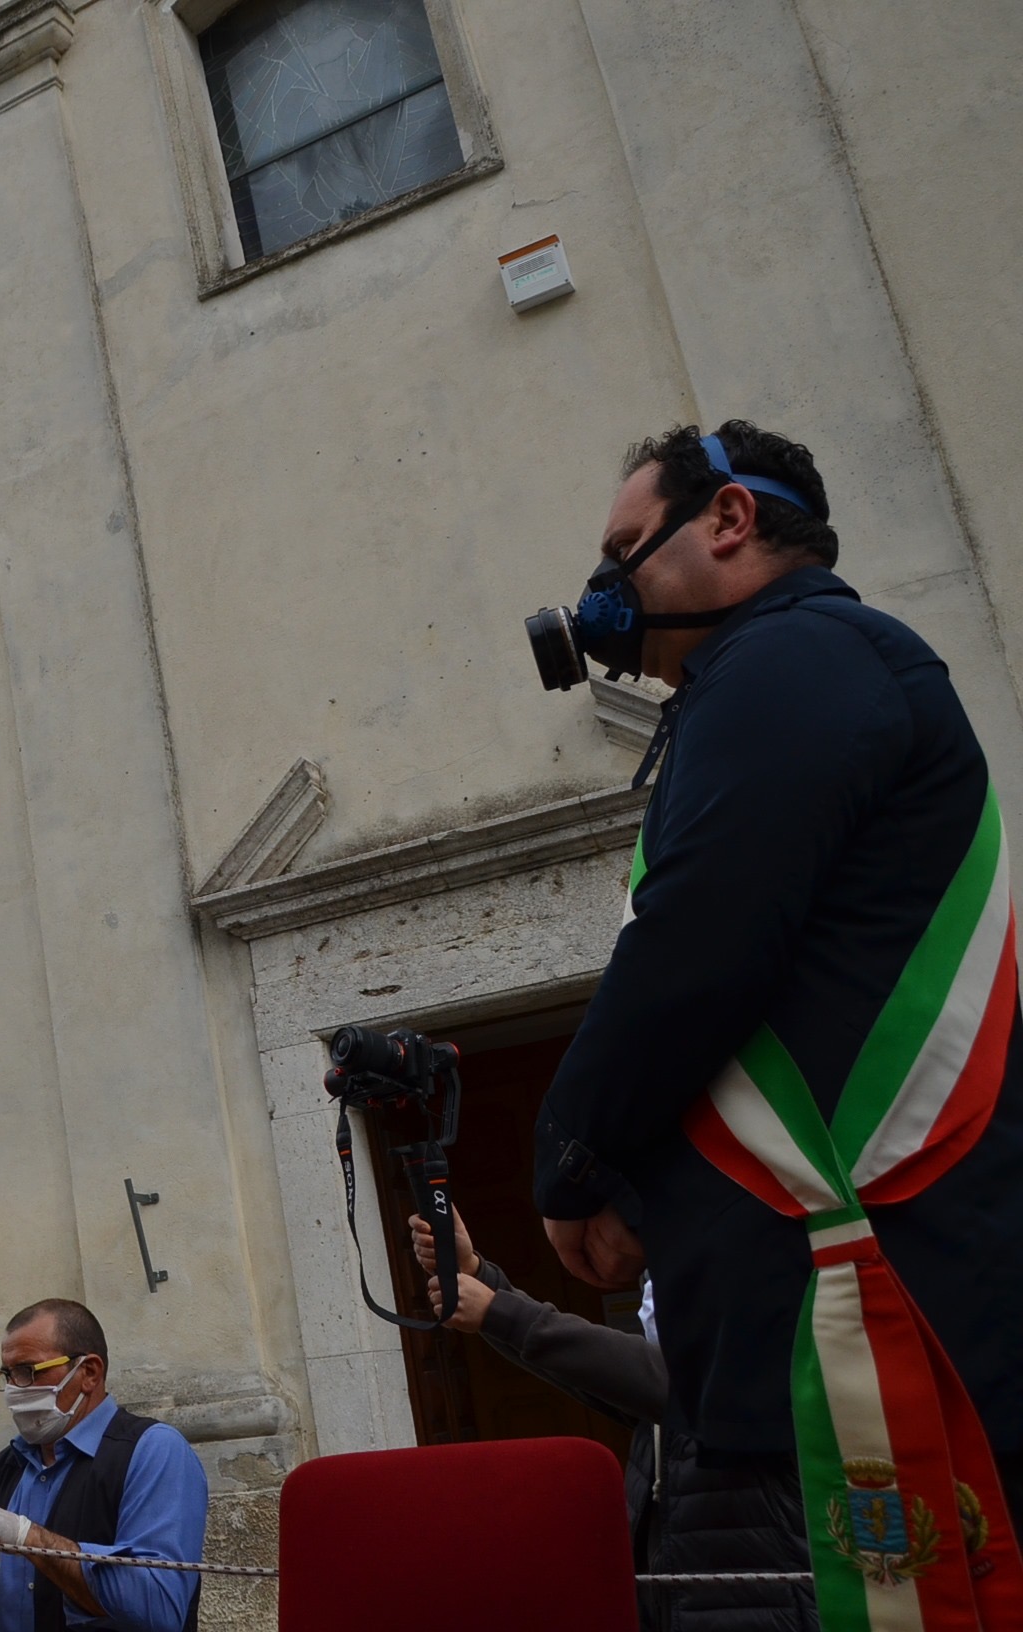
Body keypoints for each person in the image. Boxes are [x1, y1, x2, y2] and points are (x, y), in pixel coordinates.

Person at [531, 422, 1023, 1622]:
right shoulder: (777, 678)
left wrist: (570, 1157)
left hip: (850, 1352)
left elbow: (701, 940)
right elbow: (779, 1019)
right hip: (780, 1342)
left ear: (731, 522)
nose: (603, 592)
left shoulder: (801, 658)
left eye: (622, 551)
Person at [411, 1208, 819, 1631]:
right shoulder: (687, 1267)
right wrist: (477, 1276)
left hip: (758, 1604)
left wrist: (501, 1312)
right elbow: (614, 1382)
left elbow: (680, 1384)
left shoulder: (773, 1263)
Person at [0, 1298, 207, 1632]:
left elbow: (157, 1609)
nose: (13, 1390)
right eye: (7, 1375)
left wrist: (26, 1535)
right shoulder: (8, 1465)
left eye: (28, 1371)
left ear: (89, 1373)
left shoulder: (152, 1450)